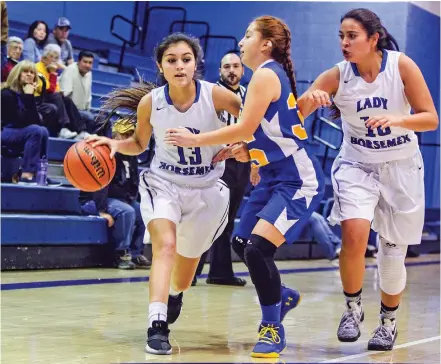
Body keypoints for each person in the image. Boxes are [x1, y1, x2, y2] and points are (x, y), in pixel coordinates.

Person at [165, 16, 325, 358]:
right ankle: (281, 295)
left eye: (248, 35)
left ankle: (272, 327)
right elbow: (270, 130)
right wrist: (246, 151)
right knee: (240, 242)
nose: (241, 41)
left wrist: (197, 138)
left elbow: (245, 126)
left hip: (296, 178)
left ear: (265, 43)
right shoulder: (265, 76)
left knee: (256, 249)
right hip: (271, 176)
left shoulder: (267, 74)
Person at [87, 32, 251, 355]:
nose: (179, 66)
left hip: (206, 189)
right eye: (171, 60)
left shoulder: (216, 96)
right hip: (165, 184)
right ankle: (156, 324)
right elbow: (138, 144)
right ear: (161, 67)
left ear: (196, 64)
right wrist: (115, 146)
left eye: (185, 60)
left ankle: (175, 294)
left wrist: (243, 148)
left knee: (185, 276)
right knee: (165, 245)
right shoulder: (152, 103)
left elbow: (253, 122)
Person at [298, 8, 438, 351]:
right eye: (341, 36)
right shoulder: (337, 75)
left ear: (373, 38)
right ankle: (352, 308)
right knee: (354, 233)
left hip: (401, 167)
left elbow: (430, 119)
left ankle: (388, 323)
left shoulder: (401, 66)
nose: (344, 43)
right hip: (356, 164)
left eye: (352, 36)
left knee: (392, 252)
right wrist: (308, 101)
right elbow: (295, 118)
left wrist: (397, 119)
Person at [194, 51, 249, 287]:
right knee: (209, 216)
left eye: (236, 66)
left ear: (242, 70)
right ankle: (191, 272)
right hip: (216, 161)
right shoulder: (209, 94)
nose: (231, 71)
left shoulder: (249, 96)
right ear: (220, 71)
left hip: (241, 162)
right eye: (226, 67)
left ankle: (220, 272)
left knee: (227, 220)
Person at [80, 118, 151, 269]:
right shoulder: (104, 154)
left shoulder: (131, 155)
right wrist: (101, 210)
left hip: (120, 199)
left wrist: (132, 199)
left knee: (143, 210)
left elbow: (133, 183)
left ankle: (136, 253)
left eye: (130, 135)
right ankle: (120, 254)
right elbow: (99, 185)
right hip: (95, 200)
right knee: (127, 211)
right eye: (123, 135)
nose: (126, 139)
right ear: (115, 136)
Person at [1, 60, 60, 186]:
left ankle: (40, 173)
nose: (29, 75)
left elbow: (35, 122)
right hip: (4, 131)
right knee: (35, 130)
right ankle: (26, 174)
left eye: (32, 72)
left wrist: (29, 97)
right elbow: (18, 121)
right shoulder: (6, 93)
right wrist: (28, 97)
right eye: (25, 72)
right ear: (17, 74)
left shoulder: (27, 94)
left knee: (42, 130)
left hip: (18, 132)